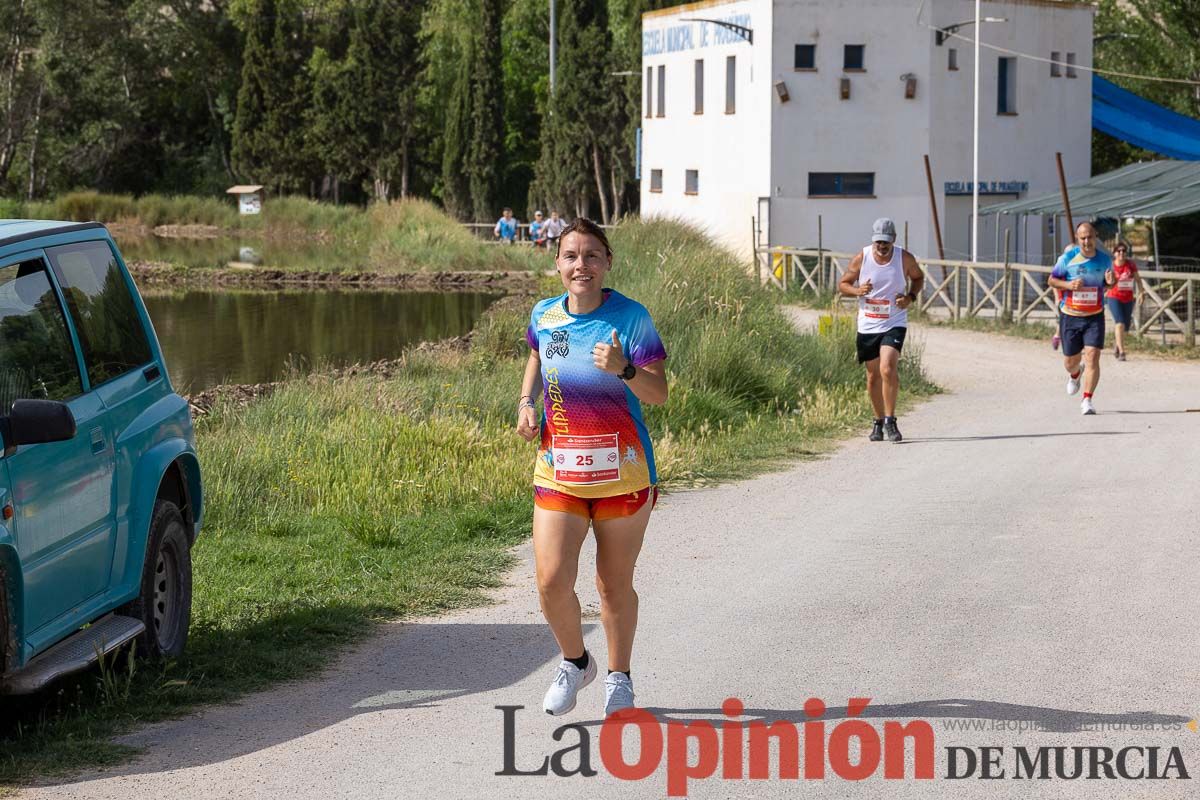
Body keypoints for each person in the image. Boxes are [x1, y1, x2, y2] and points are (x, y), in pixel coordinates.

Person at [517, 218, 668, 718]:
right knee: (550, 580)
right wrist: (526, 402)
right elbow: (537, 356)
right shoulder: (544, 314)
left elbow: (659, 394)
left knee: (611, 583)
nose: (581, 265)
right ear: (557, 262)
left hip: (623, 474)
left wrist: (624, 368)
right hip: (558, 469)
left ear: (607, 263)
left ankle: (619, 678)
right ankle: (576, 662)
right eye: (571, 256)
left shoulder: (630, 318)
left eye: (591, 256)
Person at [837, 217, 924, 443]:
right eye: (878, 243)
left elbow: (918, 277)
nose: (882, 247)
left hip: (894, 320)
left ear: (893, 240)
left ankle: (890, 420)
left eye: (886, 242)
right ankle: (877, 421)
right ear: (873, 241)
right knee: (873, 375)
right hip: (868, 323)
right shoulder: (862, 257)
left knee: (887, 368)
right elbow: (843, 284)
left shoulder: (904, 257)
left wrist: (910, 297)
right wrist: (858, 291)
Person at [1048, 221, 1114, 415]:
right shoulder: (1067, 258)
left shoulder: (1105, 259)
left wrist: (1111, 282)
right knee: (1070, 362)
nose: (1087, 241)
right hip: (1071, 316)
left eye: (1090, 237)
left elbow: (1108, 283)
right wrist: (1069, 286)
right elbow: (1052, 280)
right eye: (1083, 238)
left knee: (1093, 356)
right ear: (1078, 239)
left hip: (1094, 316)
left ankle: (1087, 400)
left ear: (1096, 237)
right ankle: (1075, 374)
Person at [1105, 239, 1142, 361]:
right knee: (1119, 322)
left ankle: (1117, 344)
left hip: (1128, 298)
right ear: (1114, 253)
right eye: (1118, 251)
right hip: (1114, 297)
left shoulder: (1130, 265)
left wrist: (1141, 292)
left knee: (1126, 326)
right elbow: (1104, 280)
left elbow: (1138, 279)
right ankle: (1122, 351)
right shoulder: (1110, 266)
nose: (1121, 253)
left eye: (1124, 251)